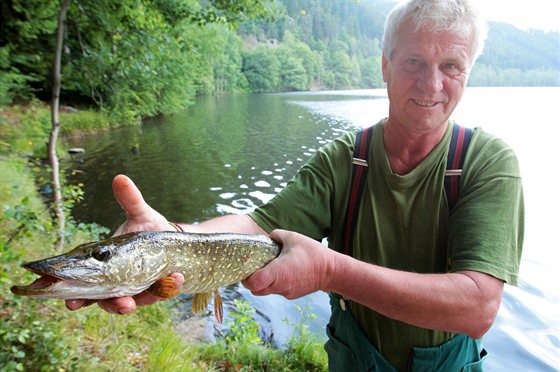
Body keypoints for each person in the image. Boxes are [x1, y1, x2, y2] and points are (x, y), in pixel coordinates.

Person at [66, 0, 524, 370]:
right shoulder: (347, 158)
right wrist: (169, 240)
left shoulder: (487, 163)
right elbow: (259, 224)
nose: (432, 82)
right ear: (384, 66)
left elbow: (478, 308)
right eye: (413, 61)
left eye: (452, 65)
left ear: (469, 72)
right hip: (351, 358)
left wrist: (329, 271)